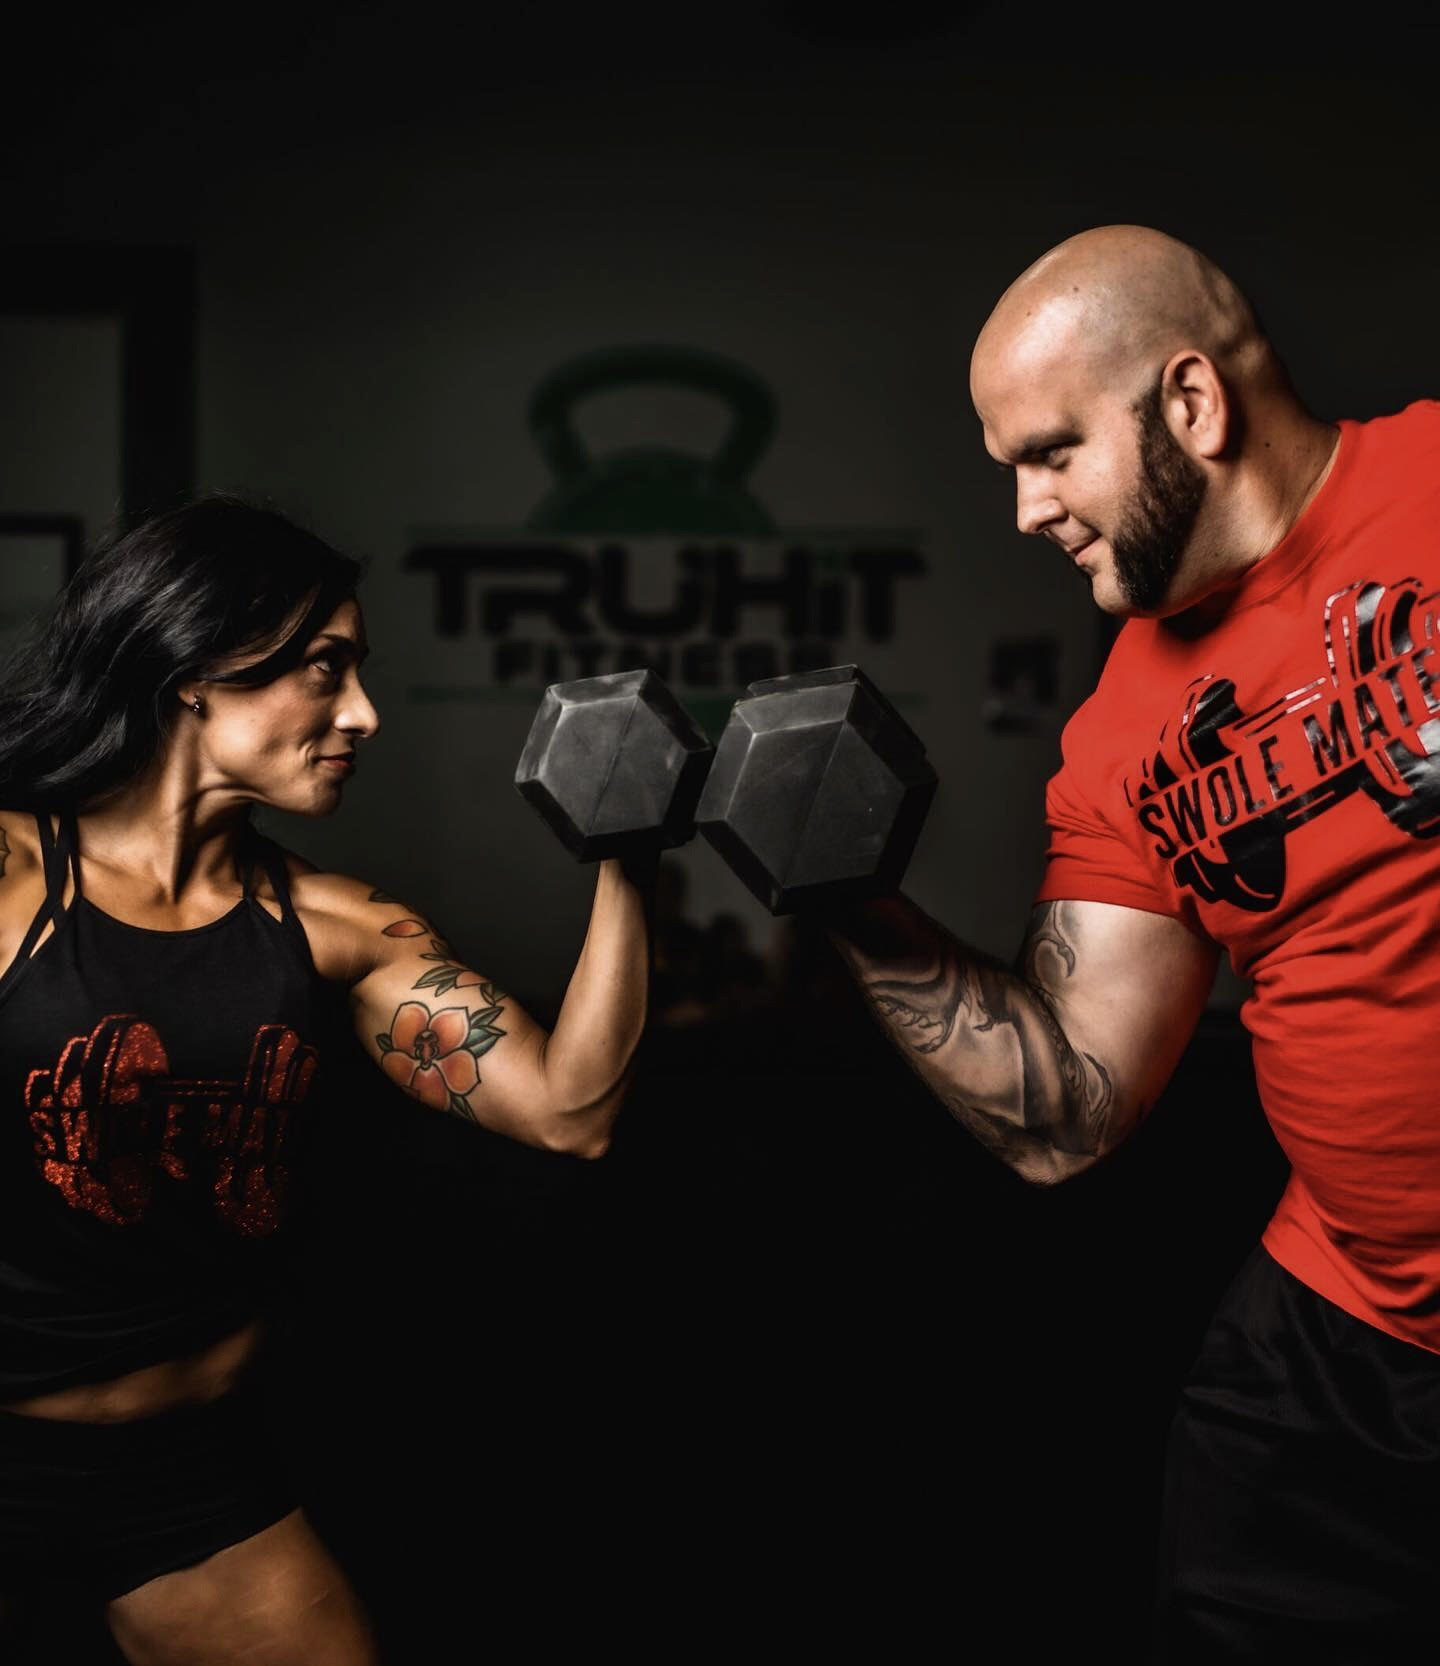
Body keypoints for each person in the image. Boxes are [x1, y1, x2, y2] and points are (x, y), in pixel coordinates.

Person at [821, 225, 1440, 1661]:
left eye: (1049, 453)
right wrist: (849, 900)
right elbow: (1068, 1109)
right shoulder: (1122, 737)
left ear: (1191, 405)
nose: (1026, 510)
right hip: (1351, 1351)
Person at [0, 495, 655, 1664]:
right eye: (324, 668)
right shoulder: (10, 878)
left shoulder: (337, 926)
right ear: (197, 670)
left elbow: (572, 1112)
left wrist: (630, 861)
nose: (363, 712)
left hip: (180, 1475)